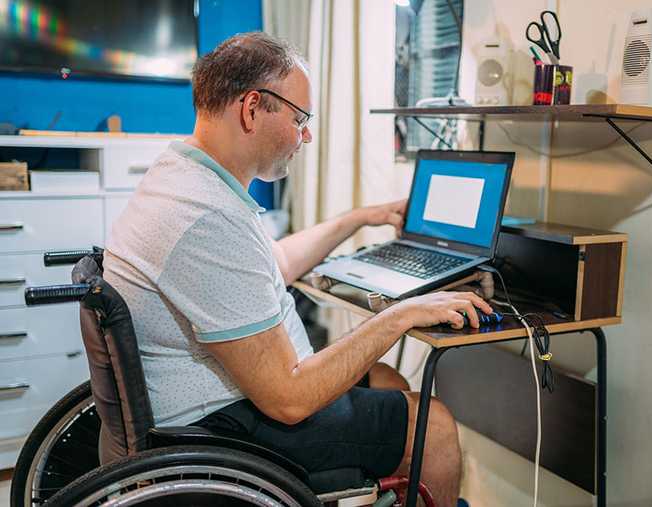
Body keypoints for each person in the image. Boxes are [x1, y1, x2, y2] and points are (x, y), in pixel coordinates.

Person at [104, 32, 491, 507]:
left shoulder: (185, 177)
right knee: (432, 425)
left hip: (201, 402)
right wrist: (400, 315)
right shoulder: (206, 218)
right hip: (216, 428)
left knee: (388, 381)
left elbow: (276, 264)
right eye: (299, 119)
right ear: (251, 109)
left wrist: (359, 218)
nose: (305, 136)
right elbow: (288, 400)